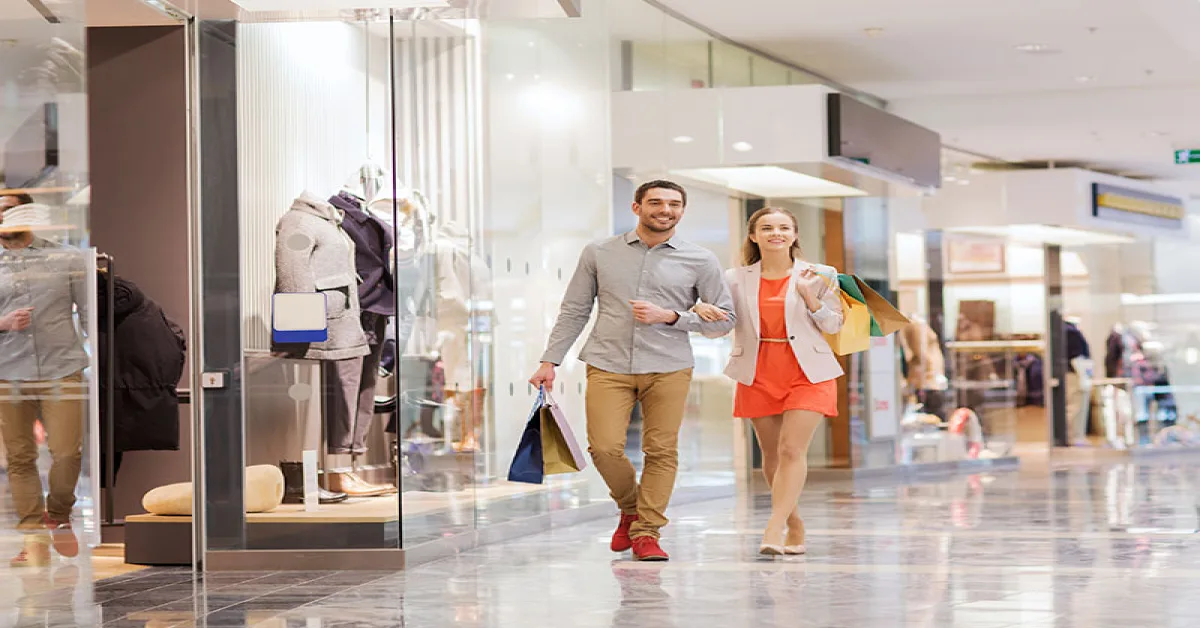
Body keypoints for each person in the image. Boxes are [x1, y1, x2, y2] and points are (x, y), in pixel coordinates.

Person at [529, 180, 735, 562]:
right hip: (608, 362)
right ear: (636, 207)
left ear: (682, 211)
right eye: (655, 202)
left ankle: (646, 532)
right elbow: (575, 310)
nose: (665, 209)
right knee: (604, 447)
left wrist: (673, 317)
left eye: (674, 204)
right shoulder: (599, 252)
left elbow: (724, 322)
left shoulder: (700, 259)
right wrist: (549, 360)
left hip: (669, 366)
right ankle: (631, 508)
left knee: (661, 451)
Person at [695, 207, 844, 556]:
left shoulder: (821, 274)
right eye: (766, 228)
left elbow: (834, 325)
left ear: (794, 234)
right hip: (758, 370)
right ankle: (794, 523)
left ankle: (773, 527)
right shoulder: (734, 278)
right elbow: (720, 329)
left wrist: (809, 296)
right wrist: (703, 314)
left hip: (808, 372)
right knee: (772, 454)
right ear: (753, 235)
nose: (775, 233)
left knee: (792, 449)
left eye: (783, 227)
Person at [0, 198, 87, 566]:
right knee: (20, 458)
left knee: (67, 452)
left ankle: (59, 513)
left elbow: (90, 312)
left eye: (12, 209)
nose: (5, 216)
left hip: (62, 368)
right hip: (7, 370)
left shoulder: (66, 259)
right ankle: (33, 538)